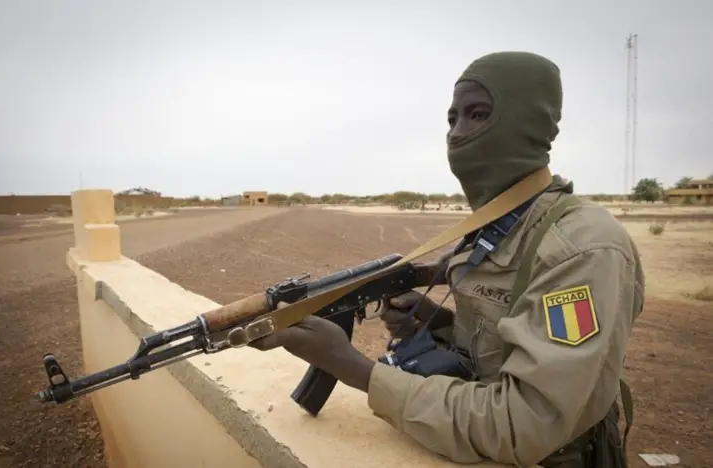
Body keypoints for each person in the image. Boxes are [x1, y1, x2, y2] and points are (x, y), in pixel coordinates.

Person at [251, 51, 645, 467]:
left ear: (527, 123)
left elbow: (525, 425)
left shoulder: (582, 248)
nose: (457, 134)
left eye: (478, 115)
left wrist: (354, 369)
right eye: (452, 118)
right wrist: (437, 324)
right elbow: (503, 344)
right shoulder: (499, 224)